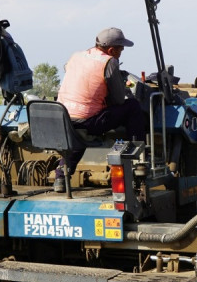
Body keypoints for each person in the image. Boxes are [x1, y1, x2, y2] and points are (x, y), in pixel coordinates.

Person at [55, 27, 148, 191]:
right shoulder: (109, 62)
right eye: (120, 50)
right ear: (111, 50)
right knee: (132, 106)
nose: (121, 53)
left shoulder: (76, 56)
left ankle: (61, 178)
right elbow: (118, 99)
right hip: (88, 121)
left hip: (64, 118)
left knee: (77, 136)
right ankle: (137, 158)